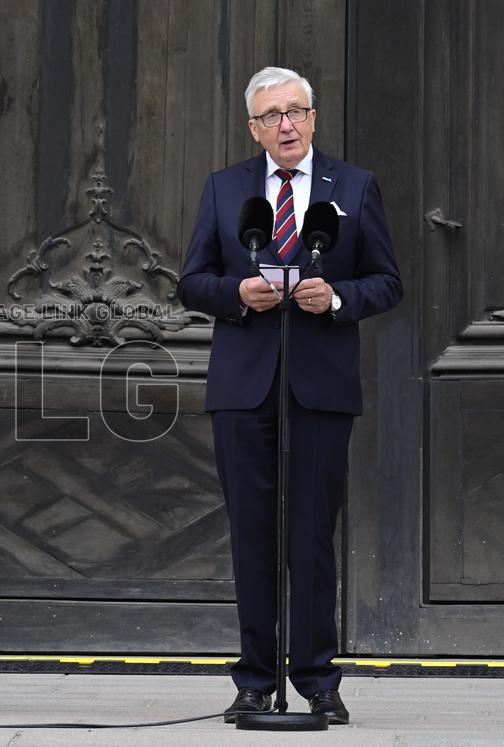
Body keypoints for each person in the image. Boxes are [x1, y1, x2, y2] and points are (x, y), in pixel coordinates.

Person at [178, 67, 402, 725]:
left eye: (296, 111)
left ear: (312, 117)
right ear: (254, 128)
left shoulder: (354, 187)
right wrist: (235, 294)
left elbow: (387, 281)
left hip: (320, 387)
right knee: (252, 536)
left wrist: (336, 296)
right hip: (244, 386)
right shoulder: (225, 190)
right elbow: (193, 280)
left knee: (311, 537)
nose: (286, 125)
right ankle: (254, 679)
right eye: (272, 115)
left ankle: (316, 677)